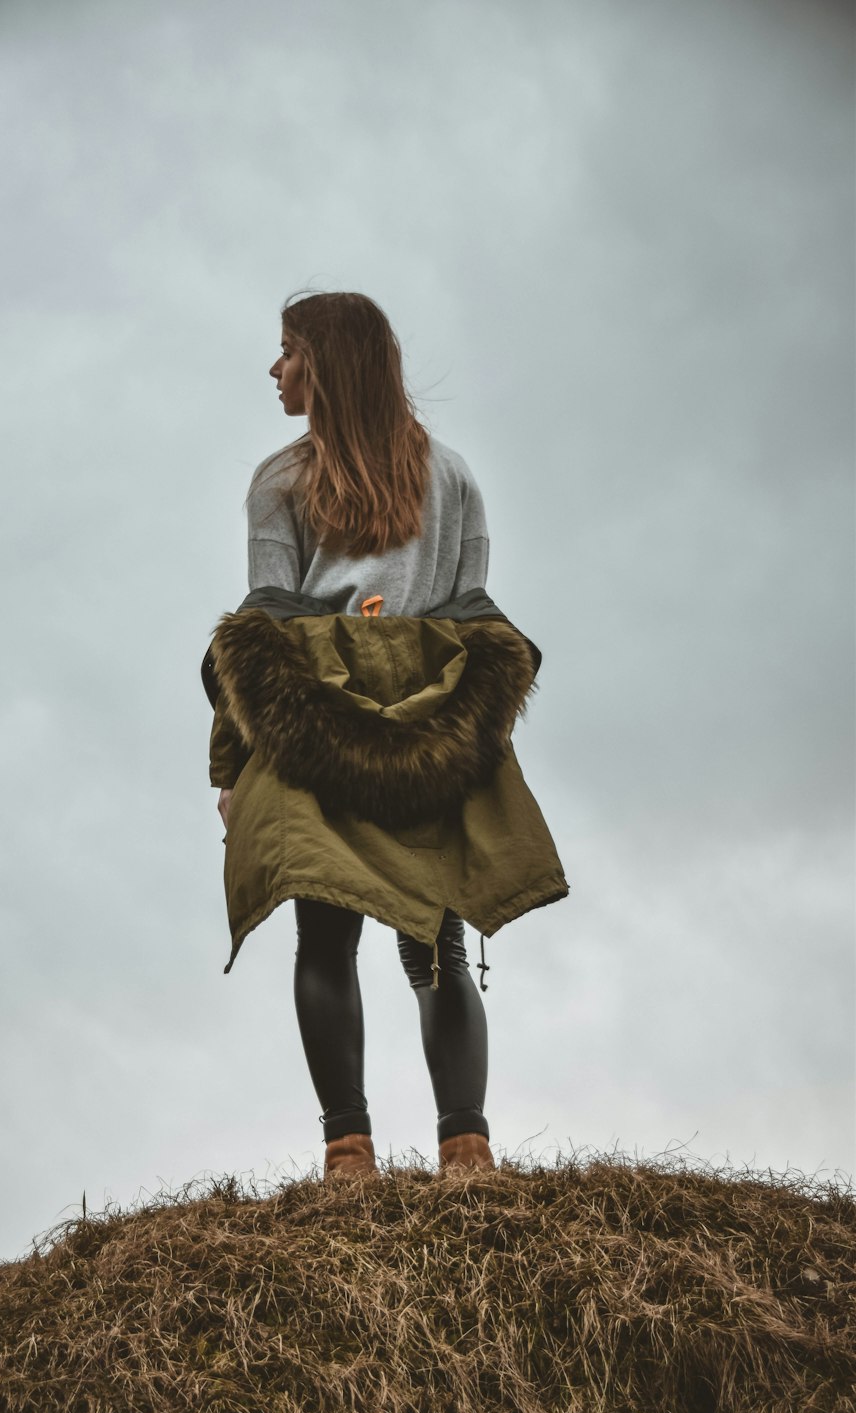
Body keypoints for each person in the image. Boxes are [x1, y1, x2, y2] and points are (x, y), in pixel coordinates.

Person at [202, 291, 567, 1182]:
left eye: (287, 351)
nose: (275, 369)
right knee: (435, 936)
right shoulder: (456, 476)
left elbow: (271, 620)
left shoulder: (276, 480)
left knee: (325, 936)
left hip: (316, 718)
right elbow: (468, 614)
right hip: (430, 726)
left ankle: (349, 1155)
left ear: (323, 363)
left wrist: (232, 759)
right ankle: (465, 1149)